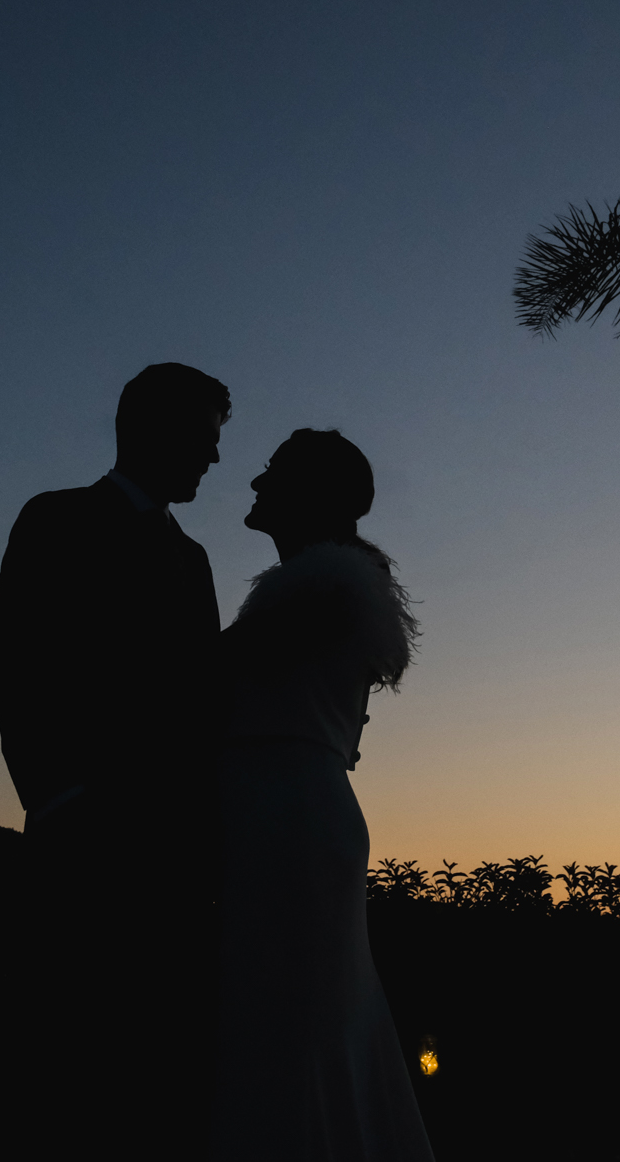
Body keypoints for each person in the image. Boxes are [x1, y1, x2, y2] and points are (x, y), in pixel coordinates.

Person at [0, 361, 230, 1158]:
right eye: (205, 436)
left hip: (176, 861)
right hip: (81, 849)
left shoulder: (194, 559)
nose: (215, 456)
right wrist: (60, 798)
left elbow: (205, 702)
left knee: (161, 1082)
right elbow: (15, 662)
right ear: (153, 429)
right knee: (74, 1074)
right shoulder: (55, 520)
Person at [213, 428, 434, 1161]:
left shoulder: (316, 591)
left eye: (272, 473)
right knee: (301, 1012)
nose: (255, 484)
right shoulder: (332, 590)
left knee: (288, 1018)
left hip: (286, 816)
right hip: (298, 808)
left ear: (309, 494)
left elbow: (201, 684)